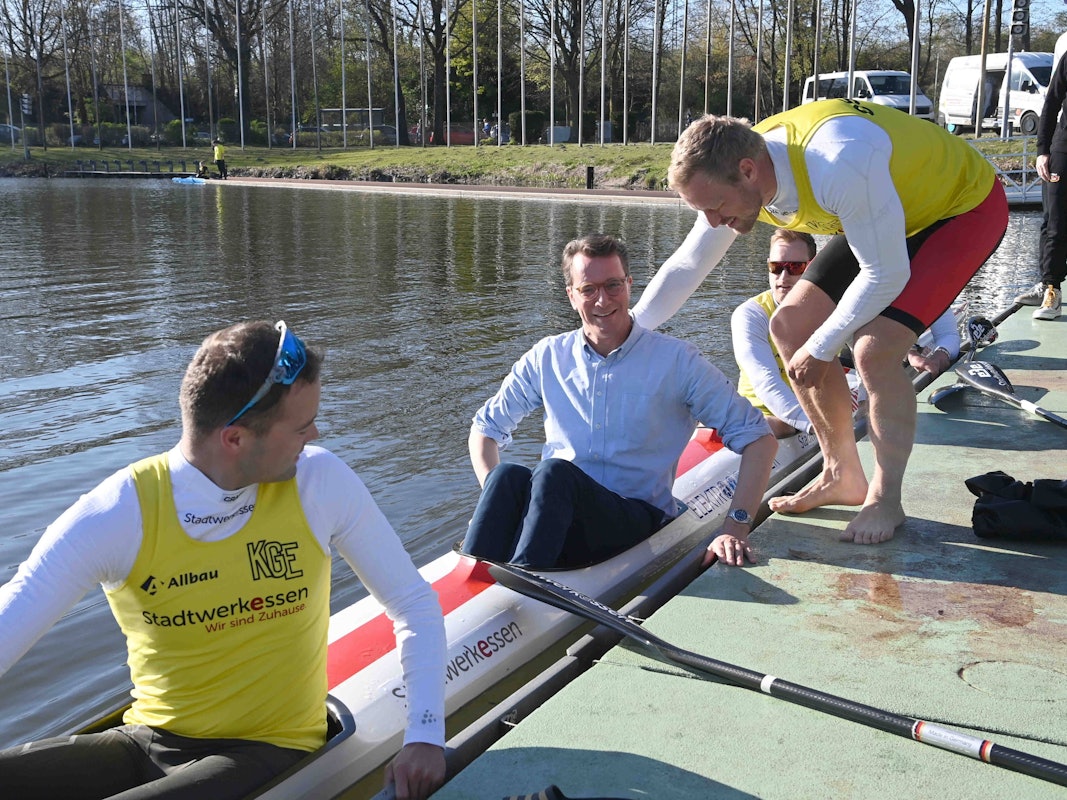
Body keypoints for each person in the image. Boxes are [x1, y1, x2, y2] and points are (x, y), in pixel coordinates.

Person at [0, 321, 447, 800]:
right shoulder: (118, 512)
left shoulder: (320, 482)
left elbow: (412, 604)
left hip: (270, 748)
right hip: (147, 742)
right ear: (234, 439)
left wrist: (424, 735)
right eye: (300, 426)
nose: (315, 433)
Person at [632, 100, 1007, 546]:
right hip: (887, 205)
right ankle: (841, 474)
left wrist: (824, 345)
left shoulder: (837, 161)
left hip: (961, 209)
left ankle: (886, 499)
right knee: (789, 327)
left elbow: (886, 274)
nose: (713, 222)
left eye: (715, 207)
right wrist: (627, 331)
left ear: (749, 171)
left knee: (875, 348)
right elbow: (687, 265)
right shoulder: (729, 171)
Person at [461, 234, 777, 569]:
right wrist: (498, 505)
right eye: (588, 289)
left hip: (635, 516)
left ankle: (523, 581)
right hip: (559, 509)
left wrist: (736, 527)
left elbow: (759, 439)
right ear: (571, 295)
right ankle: (476, 570)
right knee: (506, 476)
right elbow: (485, 430)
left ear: (629, 285)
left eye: (613, 285)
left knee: (553, 474)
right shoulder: (547, 356)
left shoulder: (677, 361)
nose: (602, 300)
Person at [733, 228, 962, 438]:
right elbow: (766, 382)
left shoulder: (833, 304)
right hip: (766, 416)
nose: (783, 278)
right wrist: (818, 427)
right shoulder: (750, 315)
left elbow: (861, 350)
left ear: (812, 267)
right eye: (776, 267)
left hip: (811, 415)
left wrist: (864, 401)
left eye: (794, 268)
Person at [1016, 49, 1067, 320]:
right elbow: (1051, 103)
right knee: (1053, 221)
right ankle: (1050, 289)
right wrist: (1042, 150)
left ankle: (1050, 281)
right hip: (1063, 152)